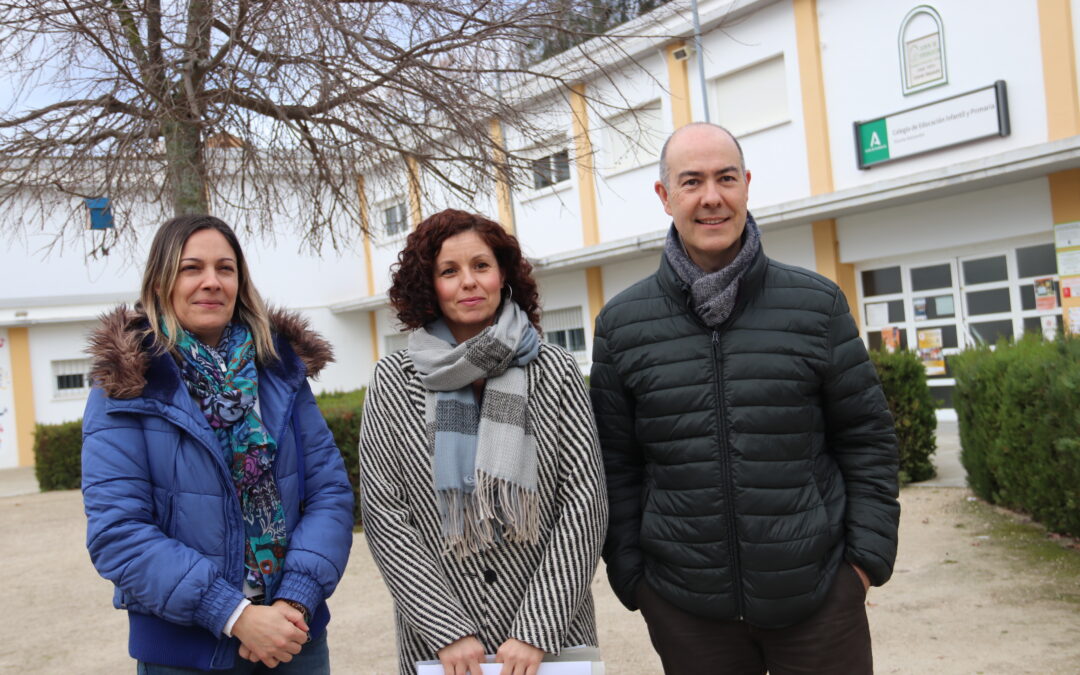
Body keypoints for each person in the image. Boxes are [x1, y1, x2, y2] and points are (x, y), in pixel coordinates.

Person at [590, 123, 900, 675]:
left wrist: (862, 566)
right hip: (687, 611)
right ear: (665, 197)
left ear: (747, 186)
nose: (712, 197)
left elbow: (867, 439)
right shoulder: (621, 325)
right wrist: (638, 581)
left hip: (820, 601)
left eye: (726, 178)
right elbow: (617, 464)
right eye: (692, 181)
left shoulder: (816, 304)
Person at [81, 215, 354, 673]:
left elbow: (329, 494)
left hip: (294, 638)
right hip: (186, 649)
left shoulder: (281, 373)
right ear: (161, 281)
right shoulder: (126, 386)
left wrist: (296, 599)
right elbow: (118, 532)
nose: (211, 282)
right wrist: (235, 615)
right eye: (192, 268)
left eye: (225, 269)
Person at [360, 209, 607, 675]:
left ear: (503, 275)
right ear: (428, 285)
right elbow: (384, 514)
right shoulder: (393, 380)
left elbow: (584, 503)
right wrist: (446, 629)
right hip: (444, 651)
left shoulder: (554, 370)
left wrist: (536, 627)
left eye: (481, 266)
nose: (468, 282)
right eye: (449, 271)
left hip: (551, 641)